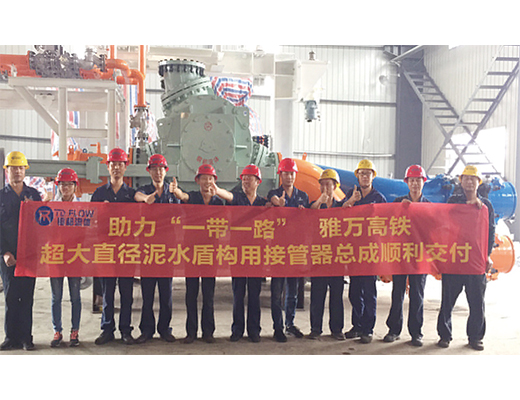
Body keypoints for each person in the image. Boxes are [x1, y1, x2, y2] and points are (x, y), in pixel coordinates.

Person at [436, 165, 495, 351]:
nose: (469, 181)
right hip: (455, 259)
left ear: (479, 182)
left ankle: (475, 337)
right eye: (466, 178)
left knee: (477, 302)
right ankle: (444, 335)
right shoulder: (453, 201)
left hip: (475, 262)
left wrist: (487, 255)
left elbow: (490, 232)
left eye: (473, 178)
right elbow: (443, 224)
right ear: (461, 182)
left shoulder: (486, 206)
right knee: (447, 302)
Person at [212, 164, 267, 343]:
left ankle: (254, 330)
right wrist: (217, 190)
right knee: (238, 293)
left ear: (258, 182)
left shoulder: (263, 203)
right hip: (238, 254)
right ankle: (237, 330)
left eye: (249, 179)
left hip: (256, 255)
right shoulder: (237, 198)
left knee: (254, 294)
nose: (246, 182)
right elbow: (227, 195)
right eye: (244, 179)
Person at [170, 164, 224, 343]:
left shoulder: (218, 203)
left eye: (210, 178)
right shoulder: (193, 197)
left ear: (214, 181)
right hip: (191, 253)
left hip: (210, 253)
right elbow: (183, 196)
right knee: (191, 294)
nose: (207, 181)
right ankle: (191, 332)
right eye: (204, 178)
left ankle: (208, 332)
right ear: (198, 180)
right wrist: (176, 191)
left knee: (209, 295)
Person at [91, 148, 136, 345]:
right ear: (107, 167)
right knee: (107, 293)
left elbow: (141, 220)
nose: (116, 167)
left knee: (126, 293)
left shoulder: (132, 194)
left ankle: (126, 330)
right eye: (113, 164)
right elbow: (91, 220)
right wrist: (102, 211)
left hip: (126, 251)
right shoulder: (99, 194)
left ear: (125, 167)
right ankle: (107, 329)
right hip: (106, 250)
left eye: (120, 164)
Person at [133, 154, 179, 344]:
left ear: (165, 171)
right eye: (154, 169)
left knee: (166, 293)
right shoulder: (145, 190)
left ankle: (165, 329)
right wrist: (146, 199)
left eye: (161, 169)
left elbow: (182, 210)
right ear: (149, 171)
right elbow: (136, 196)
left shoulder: (172, 191)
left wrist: (178, 194)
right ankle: (146, 330)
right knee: (147, 293)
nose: (158, 172)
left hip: (167, 250)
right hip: (148, 251)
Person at [383, 164, 429, 347]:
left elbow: (435, 230)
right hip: (400, 256)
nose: (415, 184)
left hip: (419, 257)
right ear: (407, 182)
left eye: (418, 180)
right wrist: (400, 209)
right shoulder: (398, 202)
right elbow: (387, 224)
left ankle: (416, 333)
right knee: (397, 293)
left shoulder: (429, 206)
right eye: (412, 180)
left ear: (423, 182)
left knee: (417, 295)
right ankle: (393, 330)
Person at [341, 159, 386, 343]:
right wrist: (352, 201)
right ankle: (357, 326)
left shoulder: (379, 198)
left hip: (370, 253)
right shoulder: (351, 194)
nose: (365, 177)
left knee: (369, 292)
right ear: (357, 176)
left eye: (368, 174)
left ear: (372, 176)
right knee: (354, 292)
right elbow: (338, 214)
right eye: (362, 174)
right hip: (354, 252)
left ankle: (368, 329)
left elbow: (387, 223)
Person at [0, 151, 42, 351]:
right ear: (6, 171)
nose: (17, 171)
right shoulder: (1, 196)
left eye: (20, 167)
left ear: (25, 170)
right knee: (10, 296)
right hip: (8, 256)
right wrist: (4, 252)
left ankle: (26, 337)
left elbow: (42, 224)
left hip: (29, 255)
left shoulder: (34, 195)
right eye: (13, 168)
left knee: (26, 297)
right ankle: (11, 337)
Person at [267, 158, 309, 342]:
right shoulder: (274, 193)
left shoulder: (303, 196)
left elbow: (309, 219)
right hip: (278, 250)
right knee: (277, 291)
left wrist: (303, 212)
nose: (289, 177)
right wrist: (278, 203)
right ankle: (278, 327)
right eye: (286, 173)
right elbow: (273, 200)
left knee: (293, 291)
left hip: (296, 250)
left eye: (292, 173)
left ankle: (290, 324)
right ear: (280, 175)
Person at [308, 169, 345, 341]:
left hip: (336, 258)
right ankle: (315, 329)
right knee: (317, 295)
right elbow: (309, 214)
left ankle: (337, 329)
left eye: (328, 184)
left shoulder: (341, 207)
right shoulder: (315, 205)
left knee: (336, 296)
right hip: (319, 257)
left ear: (335, 186)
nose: (325, 188)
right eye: (322, 184)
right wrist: (319, 202)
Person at [50, 168, 82, 348]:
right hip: (55, 257)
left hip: (75, 257)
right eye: (62, 184)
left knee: (75, 297)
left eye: (69, 184)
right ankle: (57, 331)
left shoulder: (82, 208)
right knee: (56, 297)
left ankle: (74, 331)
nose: (66, 187)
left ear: (75, 186)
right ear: (58, 186)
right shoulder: (50, 207)